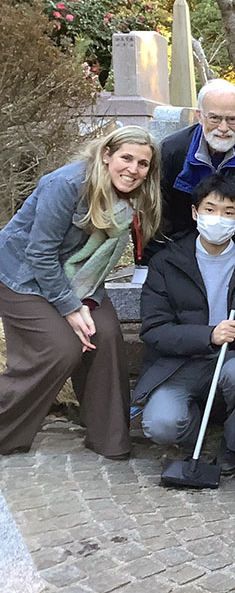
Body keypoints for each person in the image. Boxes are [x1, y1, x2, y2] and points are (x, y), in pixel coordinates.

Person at [0, 126, 161, 457]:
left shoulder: (137, 196)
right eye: (126, 158)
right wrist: (72, 308)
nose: (133, 169)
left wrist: (81, 302)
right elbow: (40, 255)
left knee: (107, 335)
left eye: (142, 164)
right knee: (60, 348)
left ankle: (109, 437)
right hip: (22, 276)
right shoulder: (66, 185)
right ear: (106, 156)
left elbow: (93, 261)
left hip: (82, 281)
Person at [135, 174, 235, 475]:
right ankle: (199, 436)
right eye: (210, 209)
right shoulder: (167, 262)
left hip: (232, 357)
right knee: (160, 425)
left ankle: (232, 445)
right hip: (179, 362)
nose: (218, 219)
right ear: (194, 213)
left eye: (228, 213)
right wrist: (208, 335)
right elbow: (154, 328)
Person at [154, 79, 235, 253]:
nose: (223, 128)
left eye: (232, 119)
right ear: (200, 116)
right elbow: (162, 211)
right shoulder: (173, 150)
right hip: (182, 245)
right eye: (215, 118)